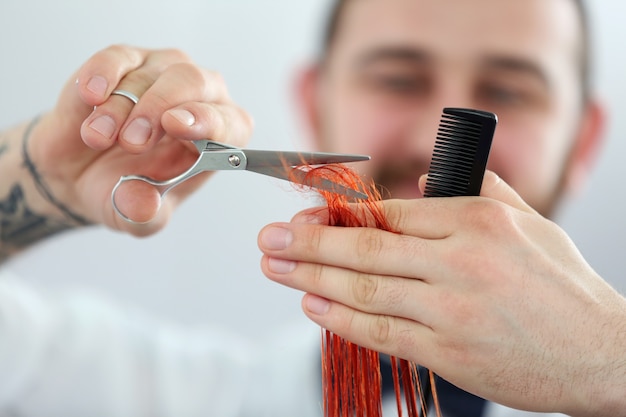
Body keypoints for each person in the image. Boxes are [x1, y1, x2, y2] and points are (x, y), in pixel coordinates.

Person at [0, 1, 623, 417]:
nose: (431, 141)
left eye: (509, 90)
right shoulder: (172, 395)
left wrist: (608, 359)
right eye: (398, 79)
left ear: (584, 140)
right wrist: (36, 178)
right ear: (313, 103)